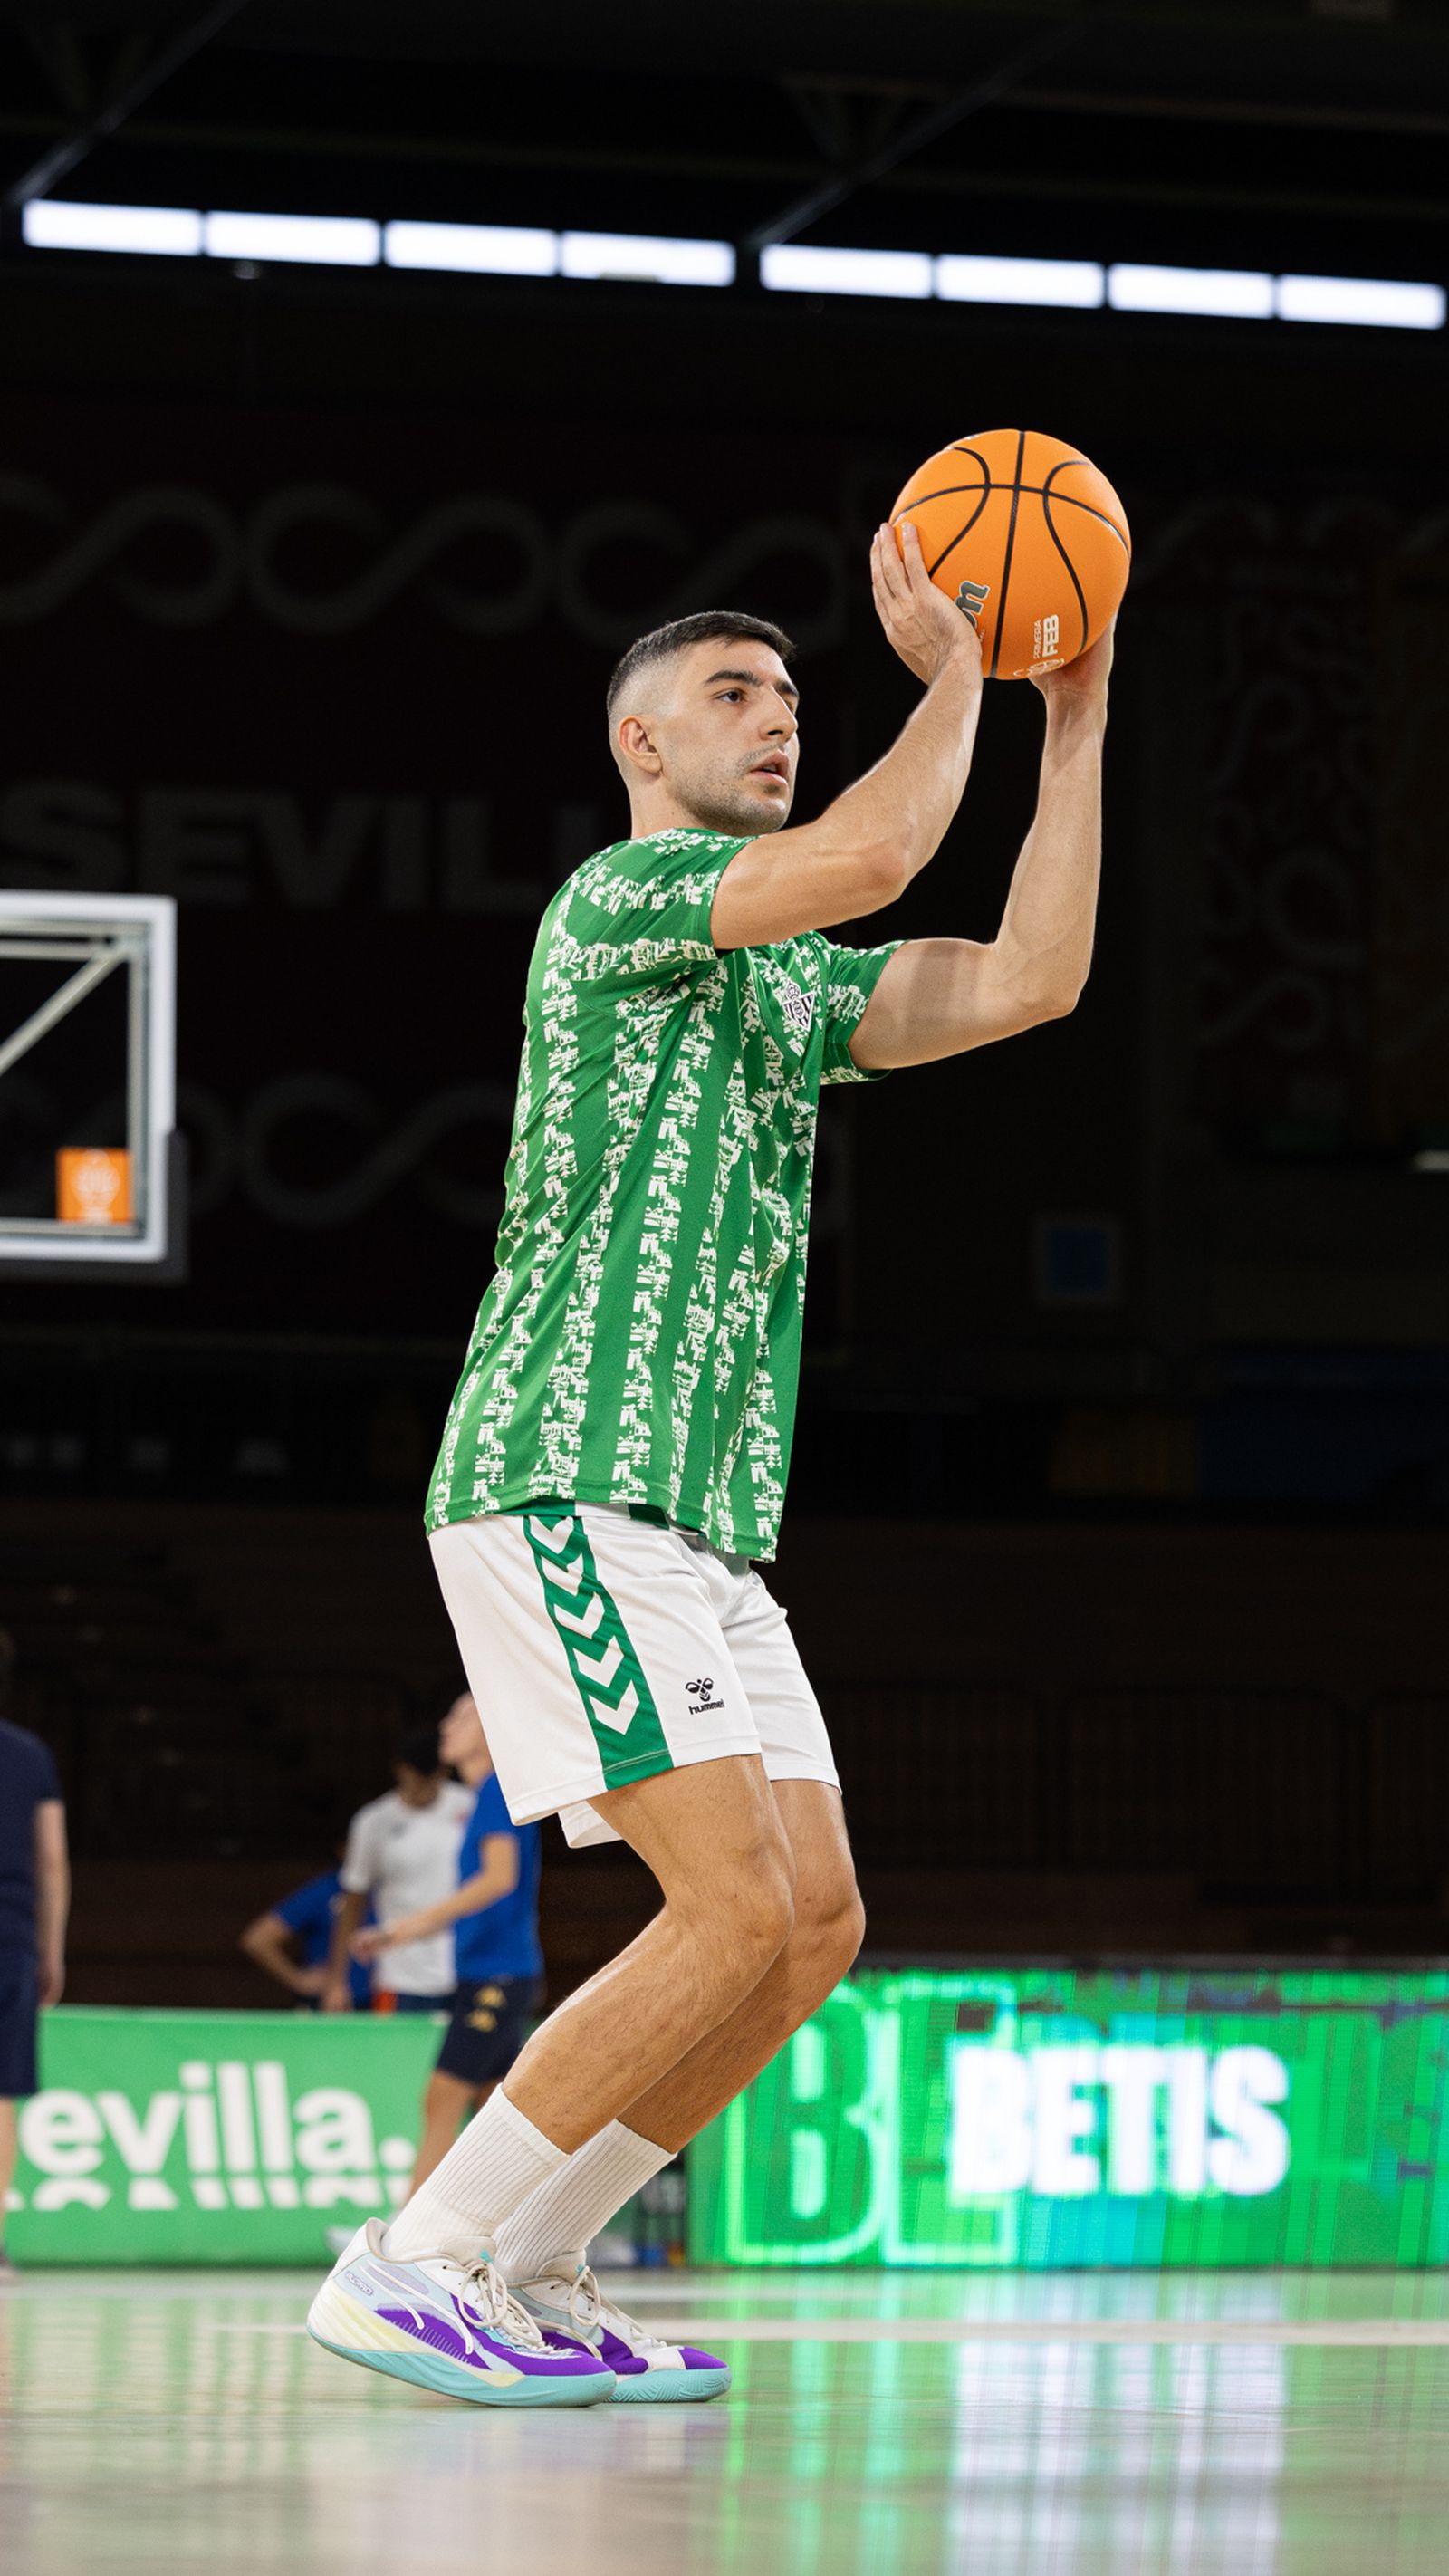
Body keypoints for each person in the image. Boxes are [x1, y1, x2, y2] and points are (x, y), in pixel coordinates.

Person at [308, 523, 1109, 2408]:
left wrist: (1064, 724)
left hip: (704, 1525)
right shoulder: (613, 902)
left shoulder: (776, 992)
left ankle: (534, 2261)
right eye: (734, 698)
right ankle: (413, 2257)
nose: (774, 720)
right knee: (728, 1907)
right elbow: (878, 851)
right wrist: (952, 679)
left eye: (789, 697)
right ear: (641, 749)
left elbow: (1026, 979)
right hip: (560, 1472)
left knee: (811, 1921)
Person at [353, 1693, 542, 2196]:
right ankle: (519, 2224)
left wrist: (411, 1926)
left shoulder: (499, 1791)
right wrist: (402, 1931)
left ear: (491, 1728)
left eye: (462, 1716)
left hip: (499, 1974)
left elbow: (498, 1880)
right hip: (487, 1973)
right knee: (501, 2106)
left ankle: (410, 2235)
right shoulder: (485, 1796)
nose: (445, 1724)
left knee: (442, 2097)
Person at [0, 1637, 70, 2279]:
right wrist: (52, 1949)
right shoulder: (29, 1755)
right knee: (3, 2093)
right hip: (11, 1938)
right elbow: (51, 1858)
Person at [321, 1730, 473, 2016]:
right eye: (415, 1778)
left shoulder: (469, 1806)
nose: (422, 1789)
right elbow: (353, 1901)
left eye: (431, 1779)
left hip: (464, 1965)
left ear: (443, 1772)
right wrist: (336, 1981)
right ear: (400, 1770)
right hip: (401, 1971)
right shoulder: (374, 1822)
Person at [239, 1854, 372, 2010]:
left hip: (385, 2002)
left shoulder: (387, 1891)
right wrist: (298, 1979)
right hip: (331, 2006)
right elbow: (257, 1940)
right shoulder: (327, 1889)